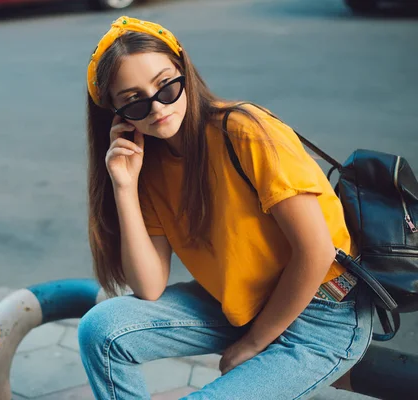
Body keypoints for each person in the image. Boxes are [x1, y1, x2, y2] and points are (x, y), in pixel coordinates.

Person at [78, 16, 373, 400]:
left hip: (323, 312)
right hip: (240, 305)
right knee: (101, 329)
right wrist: (124, 185)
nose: (156, 107)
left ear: (184, 70)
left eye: (166, 85)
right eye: (133, 101)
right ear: (115, 114)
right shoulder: (146, 164)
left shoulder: (244, 130)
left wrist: (252, 344)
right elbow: (148, 286)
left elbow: (316, 252)